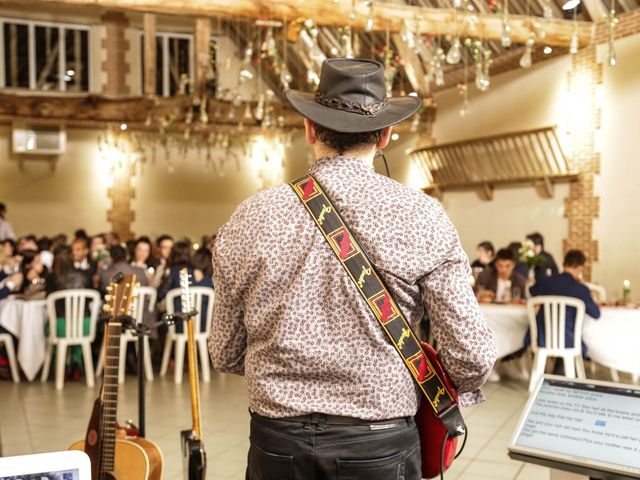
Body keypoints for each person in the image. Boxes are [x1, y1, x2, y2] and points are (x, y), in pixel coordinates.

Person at [209, 58, 496, 480]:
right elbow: (472, 357)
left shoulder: (251, 216)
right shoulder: (422, 215)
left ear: (310, 129)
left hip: (277, 441)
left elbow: (225, 352)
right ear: (385, 135)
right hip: (378, 443)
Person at [526, 250, 600, 363]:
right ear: (581, 268)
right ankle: (563, 372)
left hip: (542, 338)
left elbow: (531, 291)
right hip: (569, 341)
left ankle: (559, 369)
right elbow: (596, 314)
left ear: (563, 264)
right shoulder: (580, 289)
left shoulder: (545, 281)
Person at [158, 242, 213, 332]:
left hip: (178, 324)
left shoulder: (175, 272)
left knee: (161, 317)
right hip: (203, 325)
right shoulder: (205, 277)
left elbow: (160, 295)